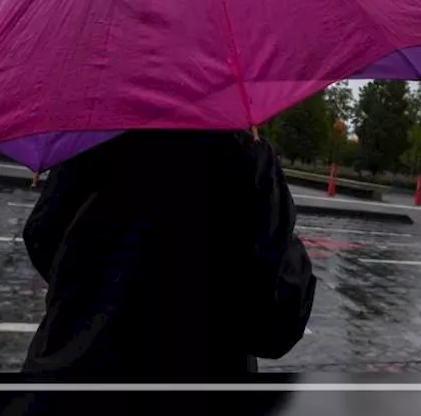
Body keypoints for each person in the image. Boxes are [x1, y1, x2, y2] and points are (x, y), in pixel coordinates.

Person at [18, 128, 316, 383]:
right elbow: (276, 322)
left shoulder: (92, 136)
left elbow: (42, 237)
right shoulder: (242, 155)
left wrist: (102, 291)